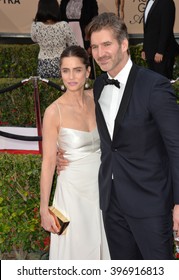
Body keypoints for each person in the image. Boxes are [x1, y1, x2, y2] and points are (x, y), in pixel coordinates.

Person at [58, 12, 179, 260]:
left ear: (124, 45)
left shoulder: (155, 86)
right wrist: (66, 154)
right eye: (94, 46)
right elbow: (105, 141)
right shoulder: (100, 85)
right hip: (111, 204)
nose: (100, 53)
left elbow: (176, 147)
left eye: (107, 44)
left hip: (150, 205)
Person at [40, 45, 110, 260]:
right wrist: (44, 208)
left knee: (104, 243)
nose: (71, 77)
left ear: (88, 72)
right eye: (65, 70)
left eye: (77, 70)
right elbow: (49, 162)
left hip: (101, 187)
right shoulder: (54, 112)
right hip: (71, 192)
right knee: (77, 250)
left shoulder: (98, 98)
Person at [31, 0, 77, 79]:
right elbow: (74, 45)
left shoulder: (35, 26)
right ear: (56, 9)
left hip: (43, 65)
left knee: (45, 89)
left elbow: (34, 39)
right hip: (61, 64)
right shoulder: (63, 25)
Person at [59, 0, 98, 78]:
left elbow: (94, 23)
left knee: (84, 61)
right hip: (66, 34)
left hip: (83, 36)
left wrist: (91, 44)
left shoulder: (91, 2)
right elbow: (60, 19)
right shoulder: (64, 1)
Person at [141, 0, 179, 80]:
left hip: (162, 54)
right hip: (151, 52)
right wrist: (145, 49)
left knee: (163, 83)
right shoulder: (149, 2)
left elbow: (166, 28)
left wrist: (160, 51)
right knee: (154, 84)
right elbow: (148, 29)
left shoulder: (167, 2)